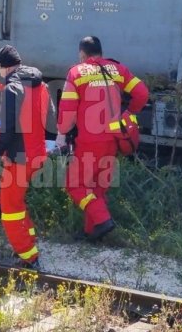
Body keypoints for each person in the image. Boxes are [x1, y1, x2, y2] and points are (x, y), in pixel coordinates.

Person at [56, 36, 149, 242]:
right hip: (114, 139)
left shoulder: (76, 73)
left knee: (75, 185)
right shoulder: (117, 69)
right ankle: (92, 232)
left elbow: (67, 110)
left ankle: (103, 220)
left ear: (82, 54)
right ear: (101, 52)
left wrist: (62, 133)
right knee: (97, 187)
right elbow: (142, 93)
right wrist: (129, 113)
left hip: (89, 141)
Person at [0, 45, 55, 269]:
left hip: (18, 158)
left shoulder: (11, 88)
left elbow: (7, 129)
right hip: (37, 153)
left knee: (9, 209)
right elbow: (51, 119)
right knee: (18, 201)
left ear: (3, 67)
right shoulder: (41, 84)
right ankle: (29, 241)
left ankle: (29, 256)